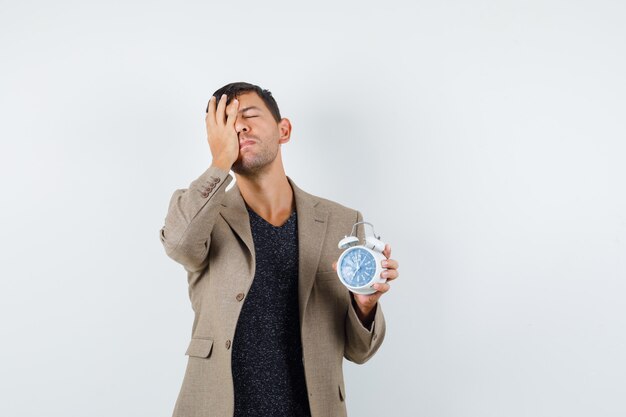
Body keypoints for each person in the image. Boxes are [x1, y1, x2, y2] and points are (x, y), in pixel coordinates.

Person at [159, 82, 400, 417]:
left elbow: (359, 352)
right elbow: (179, 244)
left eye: (248, 115)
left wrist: (365, 305)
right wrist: (219, 162)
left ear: (283, 130)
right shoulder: (202, 214)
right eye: (226, 122)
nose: (238, 126)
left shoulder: (342, 221)